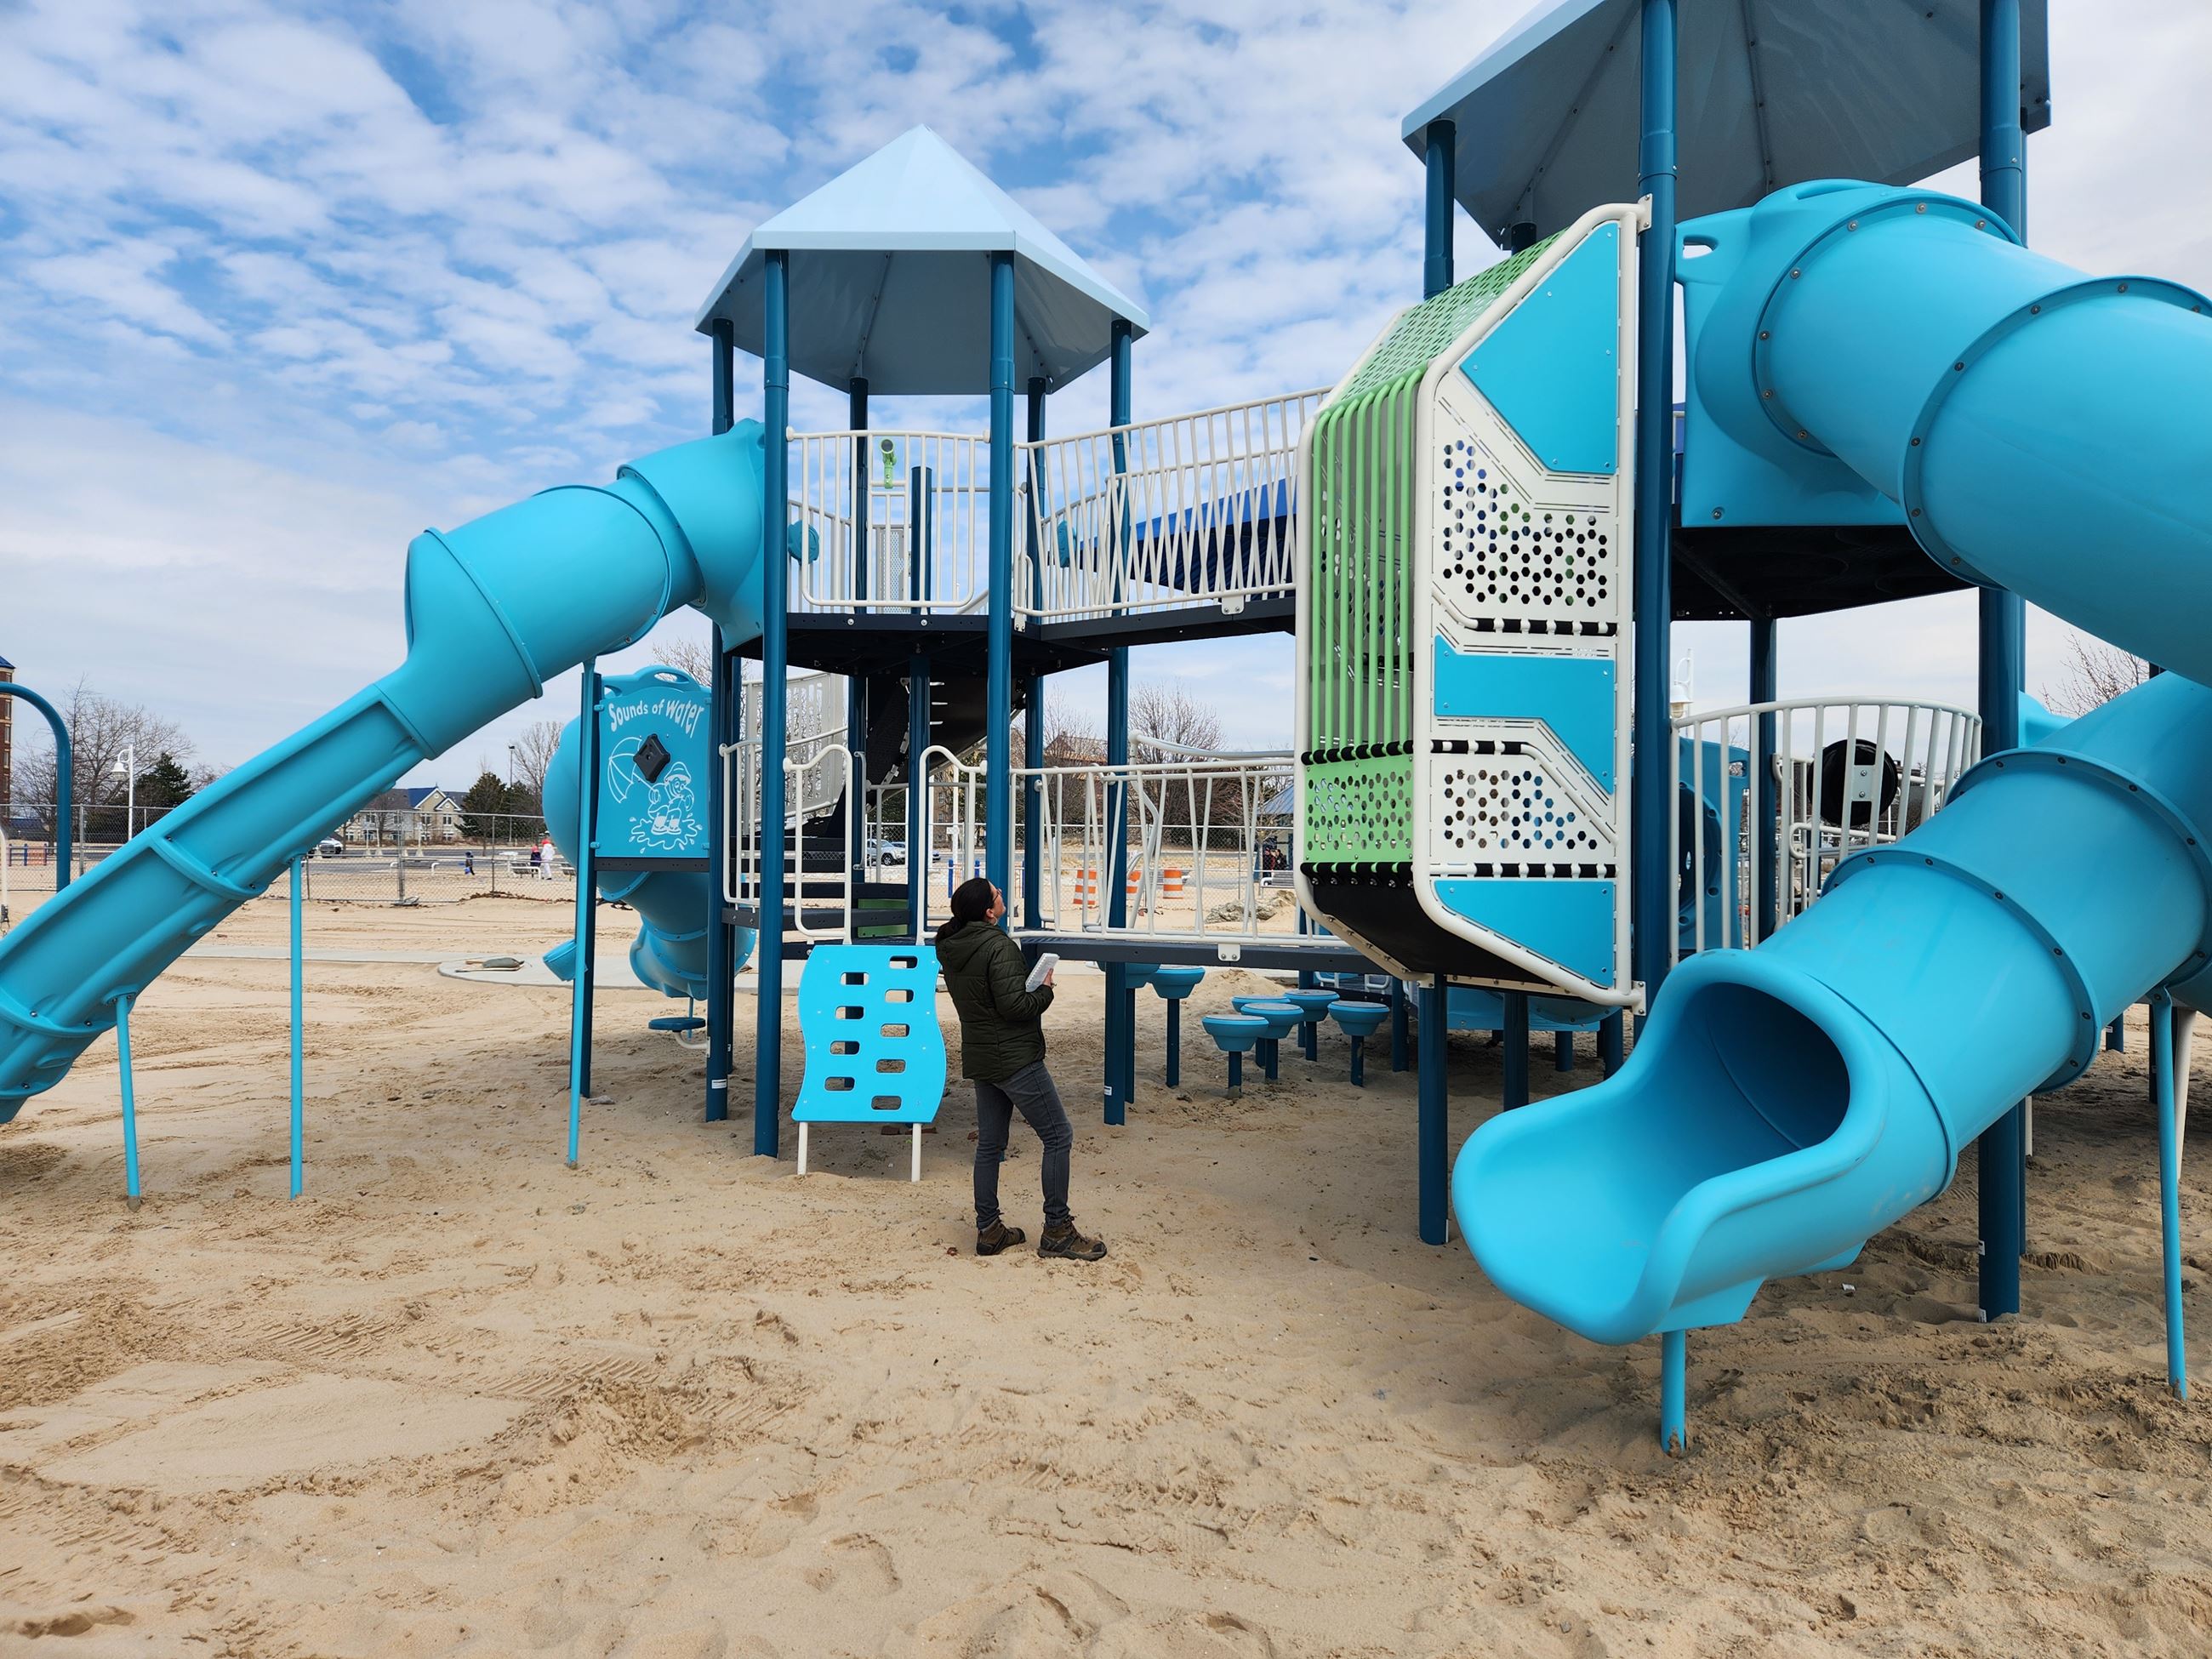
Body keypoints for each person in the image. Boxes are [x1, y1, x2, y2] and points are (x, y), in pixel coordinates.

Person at [934, 877, 1106, 1261]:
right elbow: (1015, 1008)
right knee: (1058, 1136)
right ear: (988, 910)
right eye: (997, 894)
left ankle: (989, 1230)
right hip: (1015, 1057)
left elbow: (989, 1001)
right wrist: (1045, 989)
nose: (1002, 895)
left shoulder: (951, 946)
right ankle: (1058, 1230)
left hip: (981, 1057)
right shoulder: (999, 946)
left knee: (990, 1146)